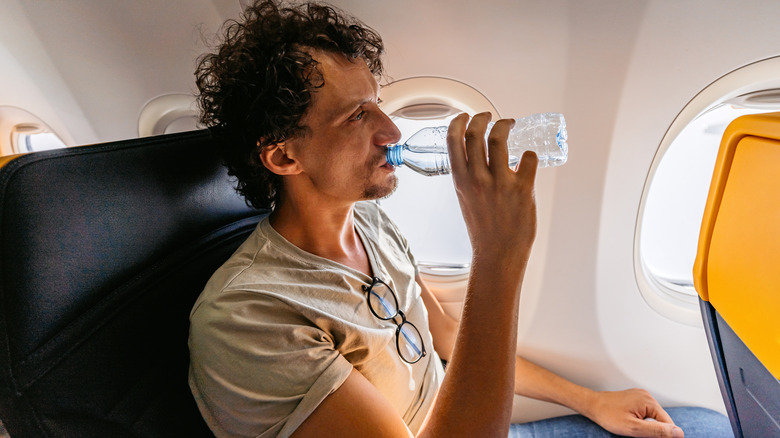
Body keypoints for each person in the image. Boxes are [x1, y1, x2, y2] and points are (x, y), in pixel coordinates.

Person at [187, 1, 732, 437]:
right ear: (284, 157)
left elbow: (446, 335)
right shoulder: (248, 316)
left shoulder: (369, 223)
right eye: (357, 116)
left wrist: (592, 400)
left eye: (376, 104)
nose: (392, 131)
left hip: (474, 417)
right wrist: (498, 258)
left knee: (708, 424)